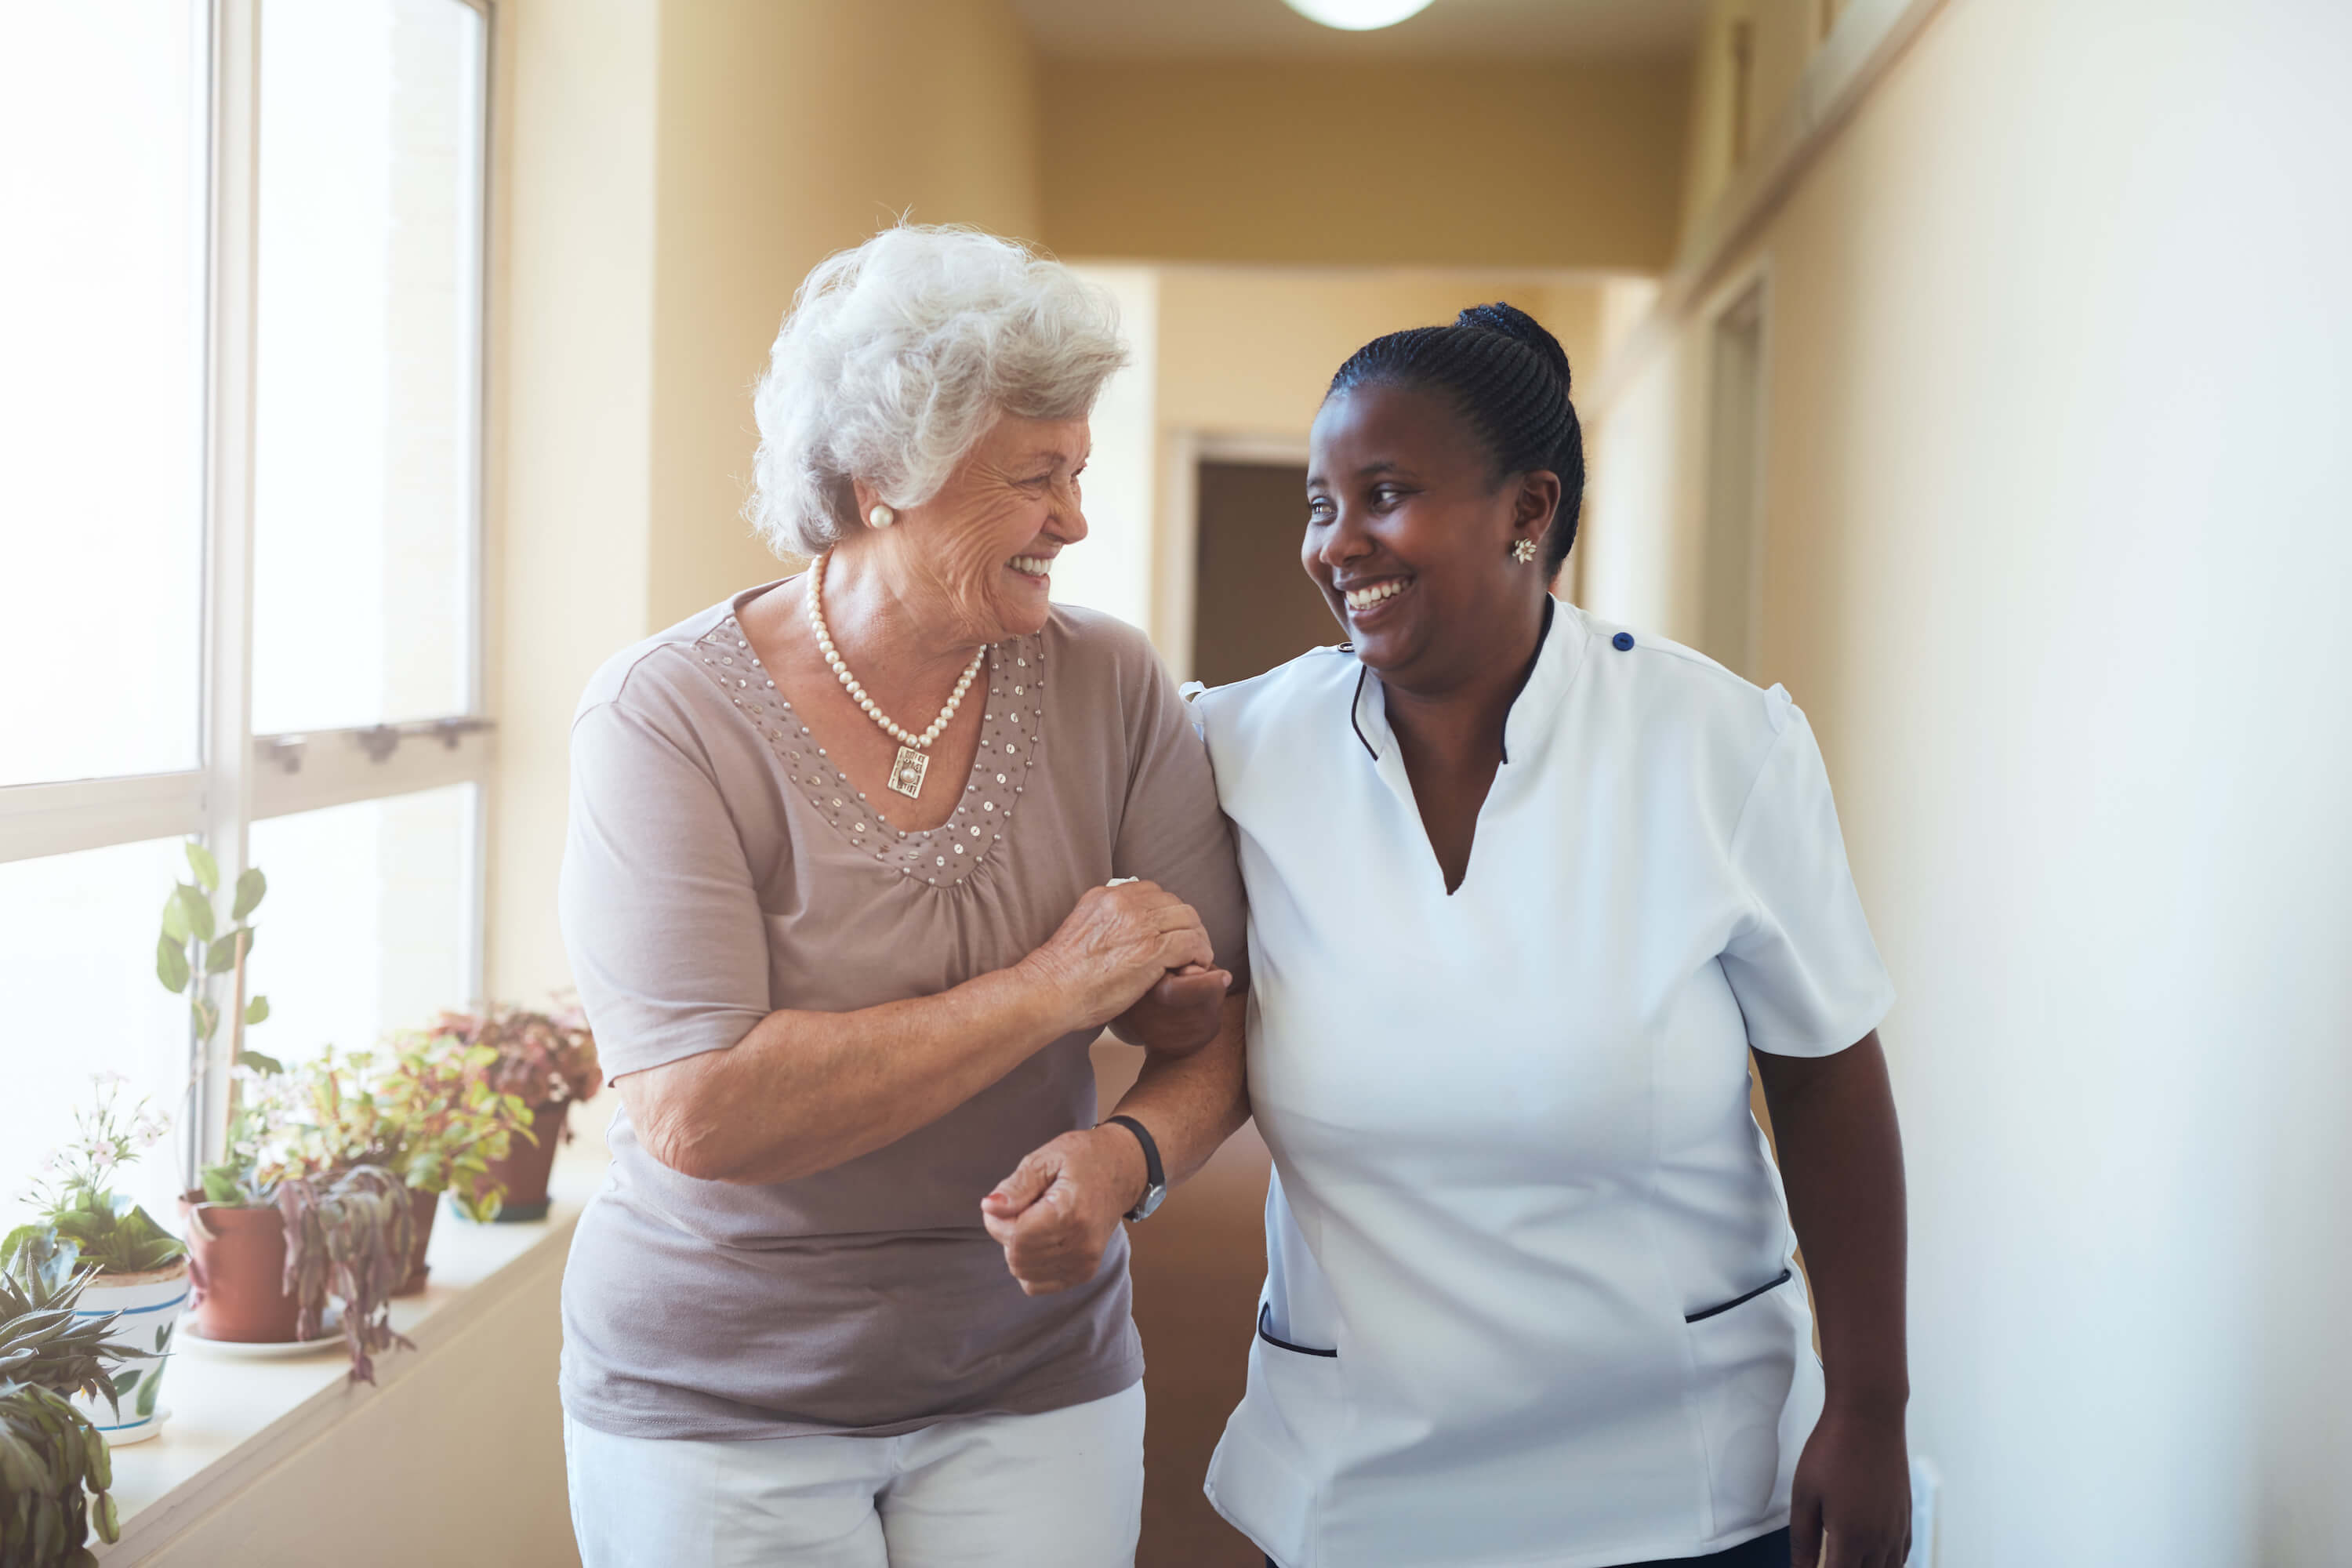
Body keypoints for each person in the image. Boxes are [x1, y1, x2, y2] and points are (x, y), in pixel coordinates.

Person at [995, 303, 1912, 1568]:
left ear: (1528, 510)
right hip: (1362, 1478)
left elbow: (1828, 1081)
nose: (1337, 544)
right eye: (1322, 504)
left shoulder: (1716, 747)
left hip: (1683, 1474)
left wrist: (1870, 1407)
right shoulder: (1235, 747)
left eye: (1385, 494)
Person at [554, 224, 1248, 1568]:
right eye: (1036, 477)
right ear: (882, 479)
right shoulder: (665, 715)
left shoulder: (1110, 683)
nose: (1077, 520)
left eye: (1082, 471)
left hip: (1035, 1371)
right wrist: (1054, 990)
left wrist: (1129, 1152)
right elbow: (701, 1109)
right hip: (717, 1400)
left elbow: (1214, 1024)